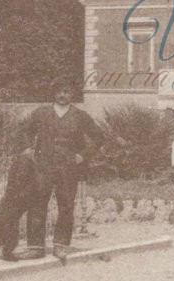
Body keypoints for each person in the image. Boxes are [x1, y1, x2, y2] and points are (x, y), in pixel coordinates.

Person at [18, 79, 108, 262]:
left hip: (68, 168)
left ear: (72, 94)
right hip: (42, 165)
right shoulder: (41, 113)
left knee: (66, 206)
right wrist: (28, 150)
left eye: (66, 91)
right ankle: (35, 247)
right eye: (59, 91)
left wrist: (83, 155)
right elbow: (26, 131)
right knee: (37, 204)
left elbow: (98, 137)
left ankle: (61, 245)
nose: (62, 95)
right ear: (54, 93)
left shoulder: (79, 115)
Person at [0, 150, 40, 262]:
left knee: (0, 221)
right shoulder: (25, 160)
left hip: (10, 197)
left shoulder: (18, 160)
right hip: (17, 197)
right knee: (10, 224)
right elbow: (23, 178)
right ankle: (7, 252)